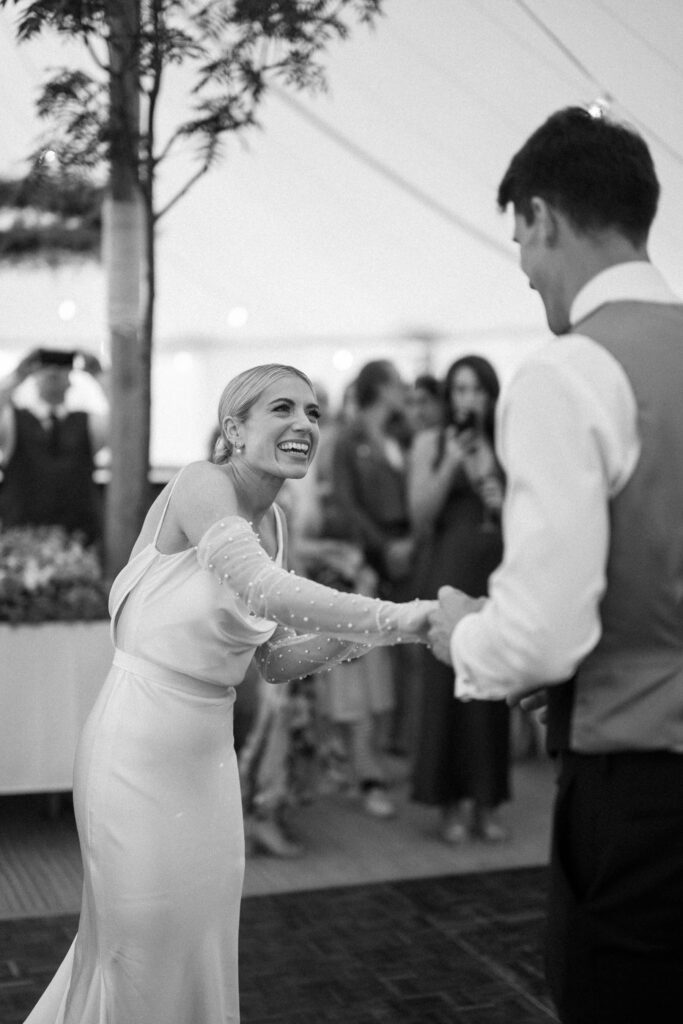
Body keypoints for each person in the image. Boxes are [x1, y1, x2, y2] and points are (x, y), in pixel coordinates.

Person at [24, 363, 436, 1024]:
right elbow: (265, 591)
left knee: (200, 940)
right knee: (138, 949)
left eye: (312, 413)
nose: (304, 424)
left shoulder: (272, 524)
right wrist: (396, 615)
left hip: (209, 764)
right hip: (135, 751)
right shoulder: (200, 484)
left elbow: (273, 659)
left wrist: (376, 639)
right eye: (283, 409)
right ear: (233, 429)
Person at [427, 107, 683, 1023]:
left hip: (644, 794)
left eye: (518, 240)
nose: (525, 270)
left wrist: (467, 637)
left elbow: (538, 633)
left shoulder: (567, 372)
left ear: (540, 216)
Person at [410, 356, 510, 843]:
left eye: (476, 390)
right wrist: (451, 462)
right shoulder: (432, 443)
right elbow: (419, 517)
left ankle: (486, 801)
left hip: (496, 577)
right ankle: (448, 803)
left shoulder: (506, 443)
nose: (467, 400)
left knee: (491, 683)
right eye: (459, 390)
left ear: (491, 394)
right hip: (449, 571)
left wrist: (501, 504)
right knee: (448, 686)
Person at [330, 360, 419, 760]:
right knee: (377, 652)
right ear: (382, 388)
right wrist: (383, 547)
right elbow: (347, 504)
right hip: (372, 551)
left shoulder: (404, 435)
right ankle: (373, 753)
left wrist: (414, 541)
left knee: (414, 645)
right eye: (398, 383)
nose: (404, 390)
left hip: (412, 546)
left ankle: (405, 739)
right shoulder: (349, 440)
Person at [0, 347, 108, 546]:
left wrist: (99, 375)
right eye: (46, 366)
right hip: (19, 544)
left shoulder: (89, 423)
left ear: (71, 380)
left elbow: (127, 425)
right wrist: (17, 376)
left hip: (78, 543)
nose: (54, 371)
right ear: (34, 377)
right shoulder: (11, 421)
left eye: (61, 367)